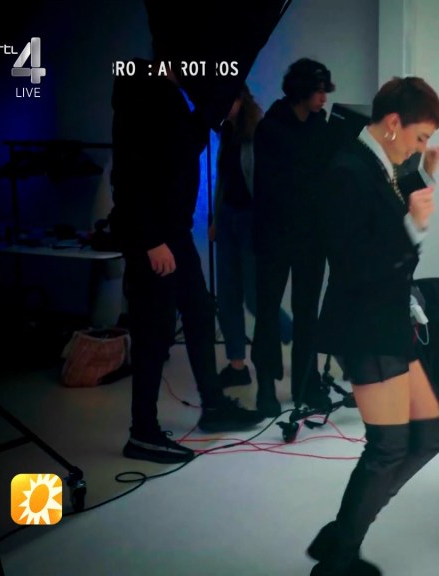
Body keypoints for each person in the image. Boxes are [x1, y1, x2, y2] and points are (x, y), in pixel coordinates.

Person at [306, 77, 439, 576]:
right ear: (392, 124)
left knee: (430, 435)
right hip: (364, 324)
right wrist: (412, 227)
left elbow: (390, 207)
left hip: (387, 321)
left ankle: (340, 535)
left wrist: (422, 176)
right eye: (419, 136)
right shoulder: (348, 169)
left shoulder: (377, 162)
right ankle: (337, 560)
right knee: (388, 448)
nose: (420, 146)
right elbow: (354, 261)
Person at [109, 35, 265, 464]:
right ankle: (142, 432)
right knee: (154, 331)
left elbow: (179, 147)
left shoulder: (170, 98)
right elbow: (131, 173)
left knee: (199, 311)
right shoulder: (142, 93)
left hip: (173, 231)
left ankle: (213, 406)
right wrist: (151, 240)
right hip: (156, 236)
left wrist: (210, 113)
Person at [251, 58, 334, 416]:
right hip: (275, 234)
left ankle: (306, 383)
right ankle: (266, 386)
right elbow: (271, 187)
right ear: (302, 90)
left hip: (311, 236)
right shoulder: (271, 127)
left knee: (306, 313)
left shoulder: (319, 126)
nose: (323, 98)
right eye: (319, 91)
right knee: (268, 311)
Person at [210, 84, 262, 388]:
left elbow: (261, 183)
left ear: (240, 99)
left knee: (255, 298)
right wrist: (216, 218)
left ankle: (295, 335)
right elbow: (223, 179)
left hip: (250, 220)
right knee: (227, 296)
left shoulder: (257, 131)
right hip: (228, 217)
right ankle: (237, 364)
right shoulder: (225, 131)